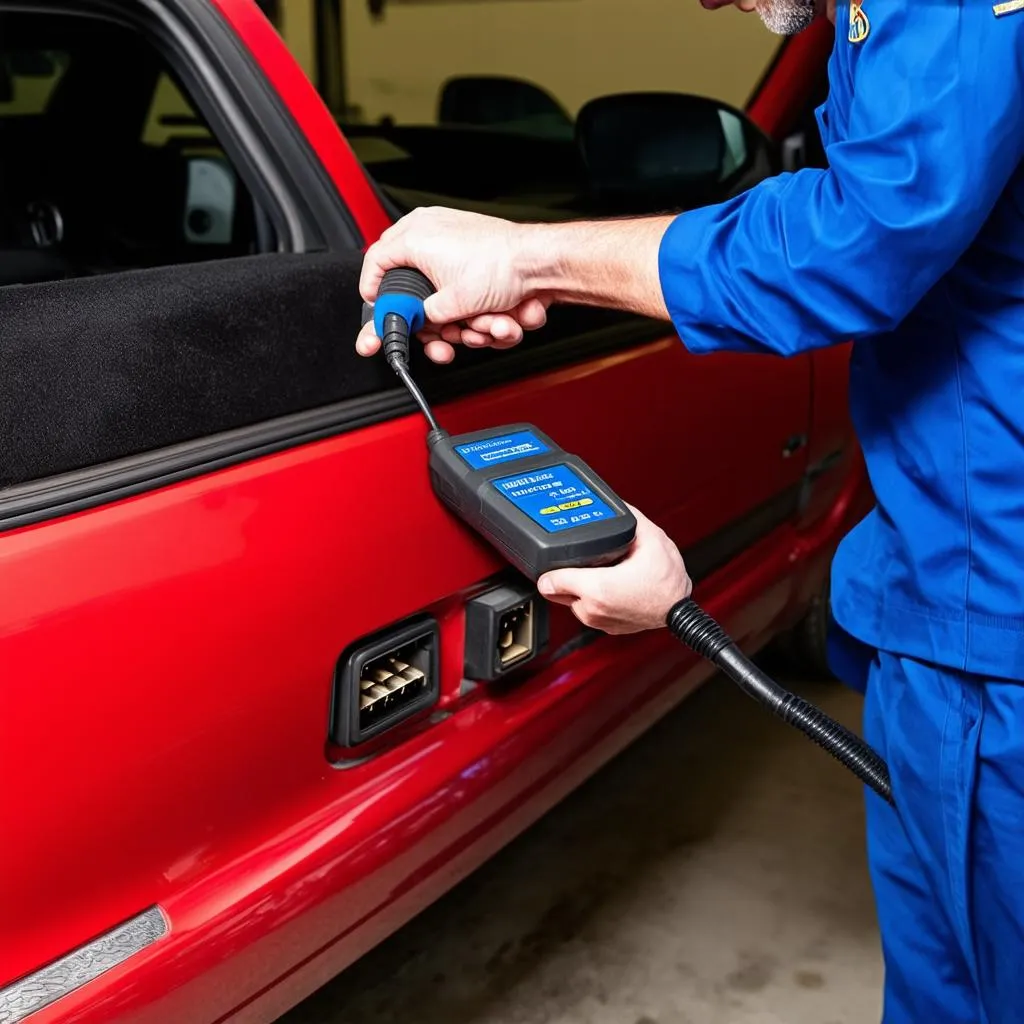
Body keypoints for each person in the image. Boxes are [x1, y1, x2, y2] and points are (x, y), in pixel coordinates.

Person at [355, 0, 1024, 1019]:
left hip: (994, 617)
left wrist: (538, 256)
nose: (706, 2)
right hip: (947, 595)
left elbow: (867, 233)